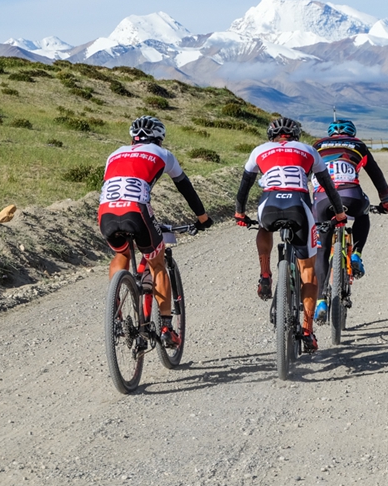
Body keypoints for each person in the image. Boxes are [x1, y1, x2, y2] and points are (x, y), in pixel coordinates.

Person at [98, 116, 213, 348]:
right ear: (159, 138)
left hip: (106, 212)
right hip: (136, 211)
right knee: (157, 263)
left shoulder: (114, 153)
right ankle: (166, 328)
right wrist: (203, 219)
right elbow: (185, 188)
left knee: (121, 255)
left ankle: (117, 316)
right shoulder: (164, 154)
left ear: (133, 138)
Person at [234, 116, 347, 352]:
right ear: (295, 134)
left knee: (264, 227)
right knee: (308, 271)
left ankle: (265, 274)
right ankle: (307, 331)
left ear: (271, 135)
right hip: (299, 208)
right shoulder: (308, 150)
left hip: (269, 205)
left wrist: (239, 213)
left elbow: (244, 186)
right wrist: (339, 215)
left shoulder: (259, 151)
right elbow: (328, 186)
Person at [312, 118, 388, 323]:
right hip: (351, 196)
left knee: (322, 250)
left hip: (322, 200)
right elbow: (377, 177)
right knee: (362, 212)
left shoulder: (317, 146)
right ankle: (356, 254)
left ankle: (321, 300)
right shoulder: (358, 146)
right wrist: (386, 203)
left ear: (330, 135)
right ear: (352, 134)